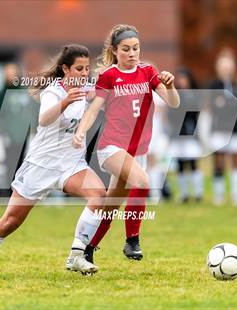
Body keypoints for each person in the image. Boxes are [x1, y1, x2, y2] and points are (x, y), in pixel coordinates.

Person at [0, 44, 106, 278]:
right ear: (65, 69)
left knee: (99, 194)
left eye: (87, 68)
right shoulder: (53, 91)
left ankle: (76, 255)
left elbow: (115, 88)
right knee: (10, 222)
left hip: (71, 165)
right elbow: (45, 119)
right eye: (79, 68)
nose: (84, 73)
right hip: (41, 166)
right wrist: (66, 101)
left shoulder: (88, 89)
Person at [73, 24, 180, 264]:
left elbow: (173, 103)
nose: (132, 53)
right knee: (142, 181)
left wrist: (171, 86)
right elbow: (94, 109)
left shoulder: (148, 71)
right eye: (126, 49)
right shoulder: (109, 75)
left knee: (111, 205)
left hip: (135, 151)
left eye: (136, 48)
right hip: (111, 148)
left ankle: (87, 249)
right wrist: (81, 131)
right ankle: (132, 240)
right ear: (114, 50)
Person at [208, 49, 237, 206]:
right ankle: (219, 195)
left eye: (228, 67)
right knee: (219, 161)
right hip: (219, 128)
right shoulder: (214, 85)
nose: (226, 70)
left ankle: (236, 194)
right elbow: (213, 105)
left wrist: (226, 103)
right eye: (223, 67)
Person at [0, 63, 39, 192]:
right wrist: (2, 132)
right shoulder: (1, 94)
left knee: (21, 164)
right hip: (8, 135)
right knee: (9, 163)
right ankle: (9, 192)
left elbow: (32, 111)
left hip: (22, 135)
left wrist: (33, 128)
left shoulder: (24, 92)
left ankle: (19, 191)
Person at [168, 68, 203, 203]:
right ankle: (184, 194)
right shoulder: (174, 95)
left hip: (190, 133)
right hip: (177, 134)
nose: (182, 82)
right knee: (180, 164)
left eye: (184, 79)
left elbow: (194, 112)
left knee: (193, 163)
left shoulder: (193, 95)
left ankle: (198, 193)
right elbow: (171, 113)